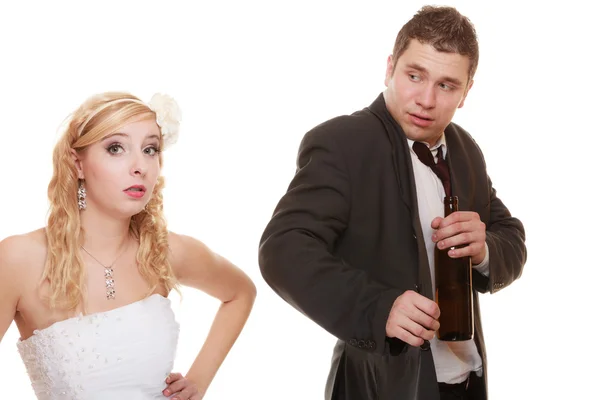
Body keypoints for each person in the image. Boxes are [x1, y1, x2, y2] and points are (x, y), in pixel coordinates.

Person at [258, 5, 526, 400]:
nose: (426, 99)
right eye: (414, 76)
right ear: (389, 68)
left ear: (467, 91)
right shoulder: (342, 143)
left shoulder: (467, 149)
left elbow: (511, 237)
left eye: (447, 85)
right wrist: (379, 308)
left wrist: (485, 248)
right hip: (380, 386)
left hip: (466, 381)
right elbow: (283, 250)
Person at [0, 91, 256, 399]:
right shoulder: (19, 259)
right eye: (116, 148)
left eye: (150, 149)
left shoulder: (165, 252)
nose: (140, 166)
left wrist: (198, 381)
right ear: (77, 164)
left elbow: (240, 293)